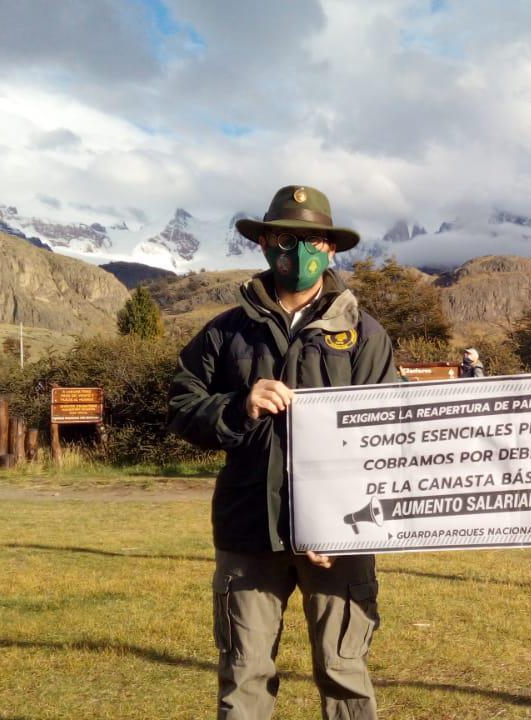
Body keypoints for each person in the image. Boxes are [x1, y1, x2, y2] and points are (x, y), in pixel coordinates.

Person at [168, 184, 397, 720]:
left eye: (313, 240)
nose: (300, 253)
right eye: (286, 239)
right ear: (265, 243)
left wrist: (339, 525)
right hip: (249, 530)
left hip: (342, 537)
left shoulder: (364, 334)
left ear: (332, 247)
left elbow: (390, 436)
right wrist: (237, 406)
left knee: (345, 674)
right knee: (244, 675)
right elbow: (181, 406)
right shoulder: (225, 333)